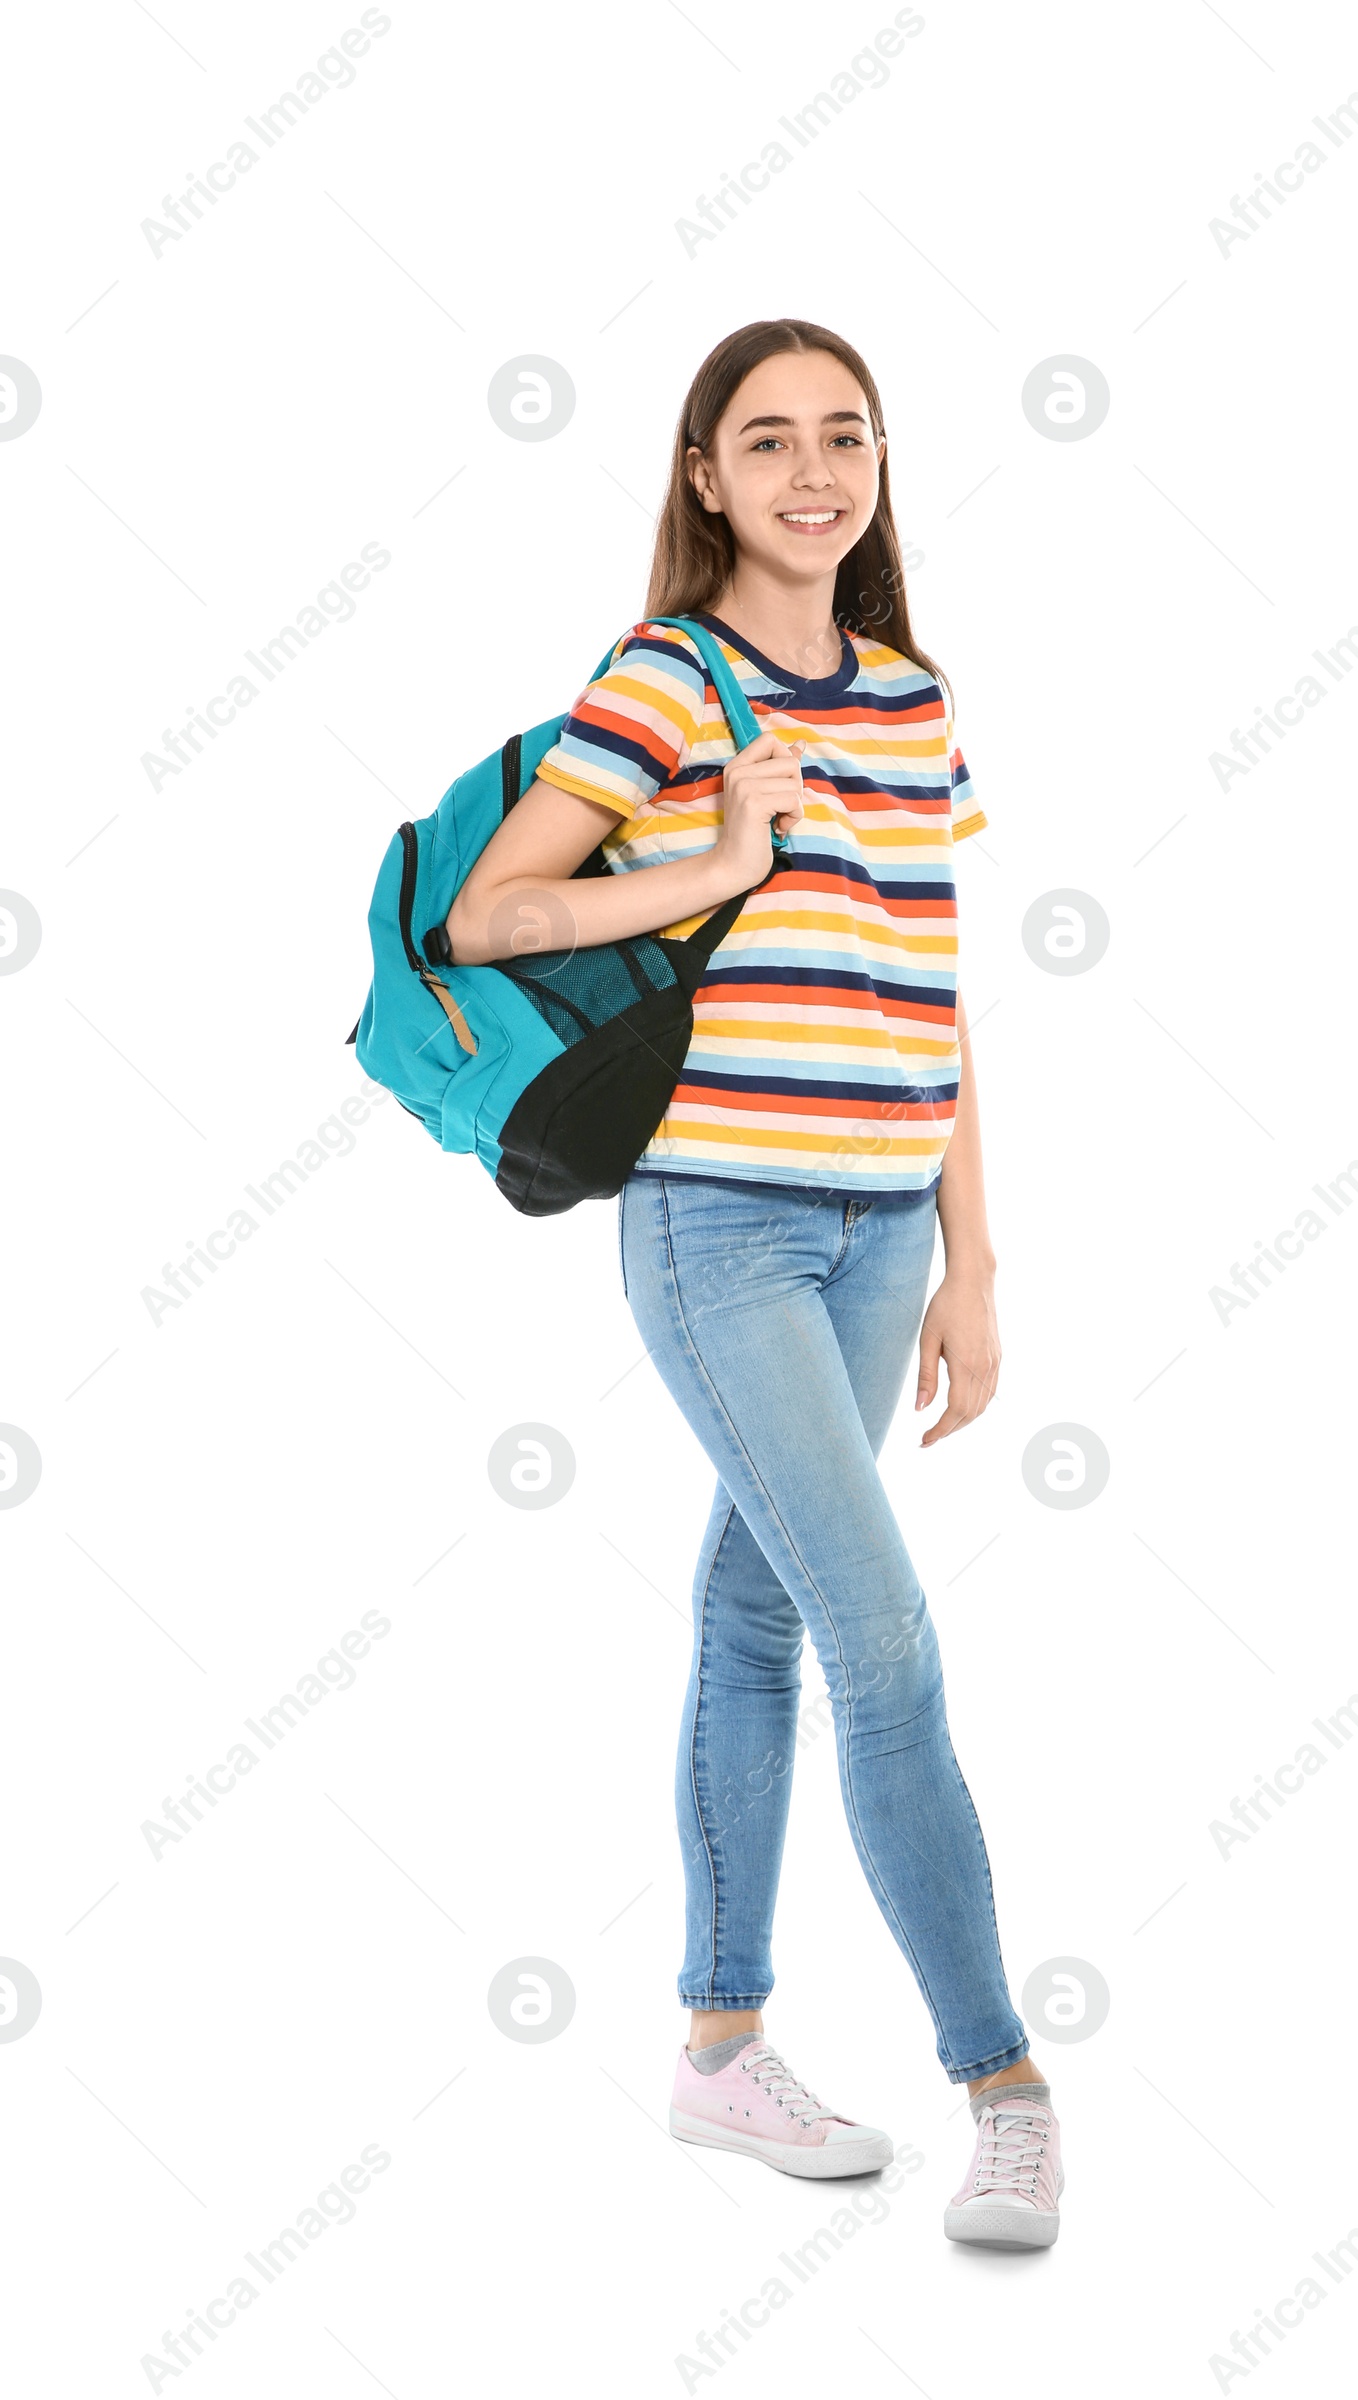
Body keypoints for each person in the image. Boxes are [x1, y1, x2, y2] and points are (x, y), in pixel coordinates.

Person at [445, 319, 1061, 2249]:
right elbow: (497, 913)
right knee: (884, 1647)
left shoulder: (908, 697)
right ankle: (1007, 2086)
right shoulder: (665, 679)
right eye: (769, 440)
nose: (815, 471)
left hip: (886, 1226)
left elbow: (934, 988)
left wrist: (974, 1256)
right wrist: (711, 849)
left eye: (847, 436)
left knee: (757, 1611)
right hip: (724, 1221)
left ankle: (718, 2048)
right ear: (703, 474)